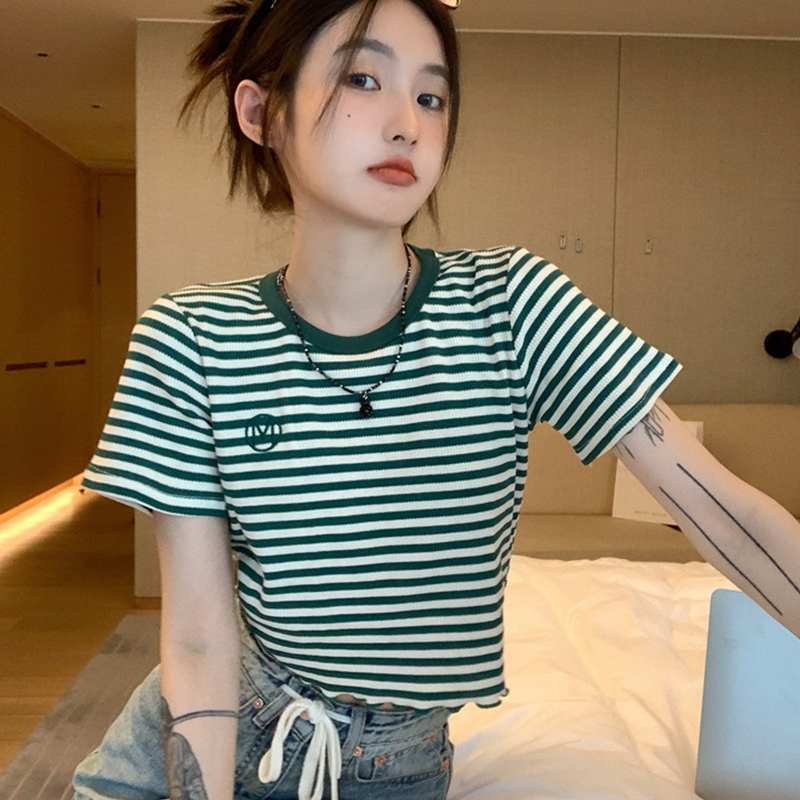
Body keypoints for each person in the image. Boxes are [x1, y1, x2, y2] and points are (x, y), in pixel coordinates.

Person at [72, 0, 800, 798]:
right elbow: (200, 640)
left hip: (397, 762)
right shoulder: (189, 336)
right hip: (202, 730)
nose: (408, 125)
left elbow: (721, 509)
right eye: (362, 79)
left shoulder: (511, 304)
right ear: (262, 112)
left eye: (431, 96)